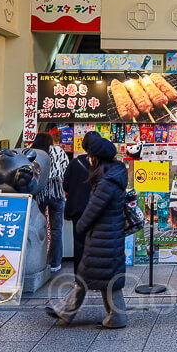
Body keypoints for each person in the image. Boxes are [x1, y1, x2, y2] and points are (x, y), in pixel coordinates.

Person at [46, 136, 128, 329]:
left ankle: (115, 317)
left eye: (91, 157)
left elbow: (93, 209)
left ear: (96, 158)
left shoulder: (107, 181)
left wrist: (80, 226)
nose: (89, 160)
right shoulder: (113, 174)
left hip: (104, 236)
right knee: (98, 274)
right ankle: (68, 311)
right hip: (106, 235)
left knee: (101, 275)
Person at [31, 132, 69, 272]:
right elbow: (66, 169)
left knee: (37, 227)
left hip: (40, 191)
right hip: (57, 192)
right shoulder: (58, 150)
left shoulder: (33, 152)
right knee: (56, 230)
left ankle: (38, 261)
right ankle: (55, 263)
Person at [63, 131, 99, 263]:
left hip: (78, 209)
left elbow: (65, 185)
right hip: (97, 210)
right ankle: (94, 278)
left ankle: (79, 280)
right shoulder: (102, 164)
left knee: (79, 245)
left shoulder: (74, 163)